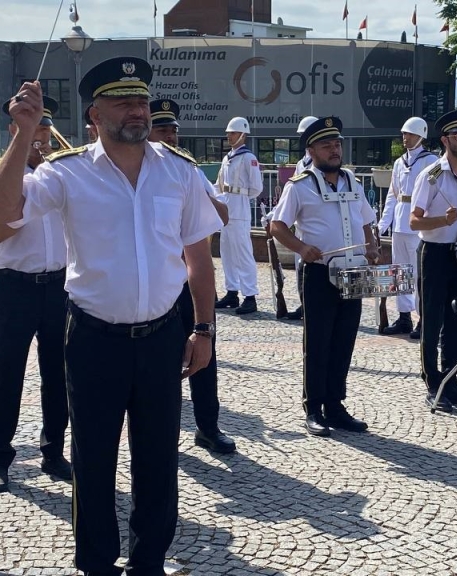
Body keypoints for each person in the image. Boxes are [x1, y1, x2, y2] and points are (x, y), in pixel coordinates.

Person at [0, 57, 221, 576]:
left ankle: (148, 561)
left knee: (158, 456)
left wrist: (203, 328)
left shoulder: (179, 172)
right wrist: (23, 135)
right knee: (93, 458)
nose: (137, 110)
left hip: (163, 334)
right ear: (95, 114)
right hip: (93, 337)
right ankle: (95, 562)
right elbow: (1, 222)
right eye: (123, 101)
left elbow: (198, 258)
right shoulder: (65, 173)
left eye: (140, 99)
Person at [0, 95, 72, 493]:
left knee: (58, 374)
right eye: (33, 130)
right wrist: (25, 203)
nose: (41, 139)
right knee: (8, 373)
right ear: (15, 130)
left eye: (45, 131)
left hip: (59, 284)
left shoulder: (61, 175)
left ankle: (54, 452)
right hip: (16, 284)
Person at [270, 116, 379, 437]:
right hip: (319, 274)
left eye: (337, 144)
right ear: (311, 150)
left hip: (354, 272)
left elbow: (366, 222)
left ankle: (335, 404)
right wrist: (301, 247)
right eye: (326, 145)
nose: (334, 150)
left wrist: (372, 246)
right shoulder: (299, 185)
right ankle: (314, 407)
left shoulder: (353, 182)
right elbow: (277, 226)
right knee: (318, 342)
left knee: (344, 340)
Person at [148, 98, 237, 454]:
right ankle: (161, 432)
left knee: (205, 354)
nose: (170, 136)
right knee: (161, 363)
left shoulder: (188, 170)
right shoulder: (137, 172)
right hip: (159, 282)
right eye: (162, 129)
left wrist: (197, 194)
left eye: (173, 130)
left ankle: (208, 427)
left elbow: (223, 215)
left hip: (192, 279)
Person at [409, 110, 457, 413]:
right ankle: (433, 384)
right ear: (445, 140)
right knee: (432, 320)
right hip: (435, 254)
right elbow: (414, 221)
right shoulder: (432, 175)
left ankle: (451, 381)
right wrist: (443, 219)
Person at [377, 117, 438, 336]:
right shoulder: (399, 162)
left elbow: (436, 192)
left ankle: (423, 318)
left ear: (421, 135)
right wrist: (384, 223)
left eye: (410, 134)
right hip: (400, 221)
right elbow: (392, 195)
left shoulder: (432, 161)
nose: (405, 137)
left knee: (419, 273)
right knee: (399, 272)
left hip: (419, 222)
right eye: (404, 134)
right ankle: (404, 317)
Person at [214, 116, 263, 315]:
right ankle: (232, 291)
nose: (229, 135)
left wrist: (238, 195)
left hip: (240, 210)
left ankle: (250, 296)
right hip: (226, 209)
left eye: (232, 132)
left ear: (243, 134)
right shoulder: (228, 157)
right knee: (227, 253)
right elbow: (219, 183)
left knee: (243, 254)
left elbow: (257, 188)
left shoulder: (248, 158)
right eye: (228, 132)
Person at [282, 115, 320, 320]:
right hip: (300, 222)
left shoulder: (317, 162)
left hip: (313, 220)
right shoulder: (301, 163)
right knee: (299, 265)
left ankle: (310, 304)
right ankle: (303, 302)